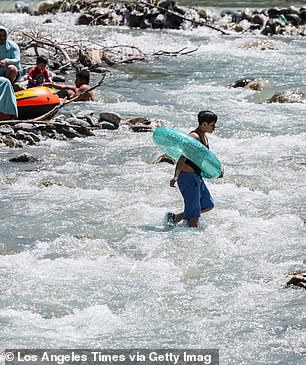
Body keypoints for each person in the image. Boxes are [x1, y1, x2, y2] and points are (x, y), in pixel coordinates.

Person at [165, 110, 223, 228]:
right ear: (204, 124)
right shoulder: (194, 137)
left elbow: (203, 159)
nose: (214, 127)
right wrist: (175, 177)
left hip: (196, 177)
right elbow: (182, 158)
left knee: (207, 205)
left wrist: (217, 171)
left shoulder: (204, 136)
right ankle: (189, 240)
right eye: (213, 124)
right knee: (194, 219)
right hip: (188, 178)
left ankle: (174, 218)